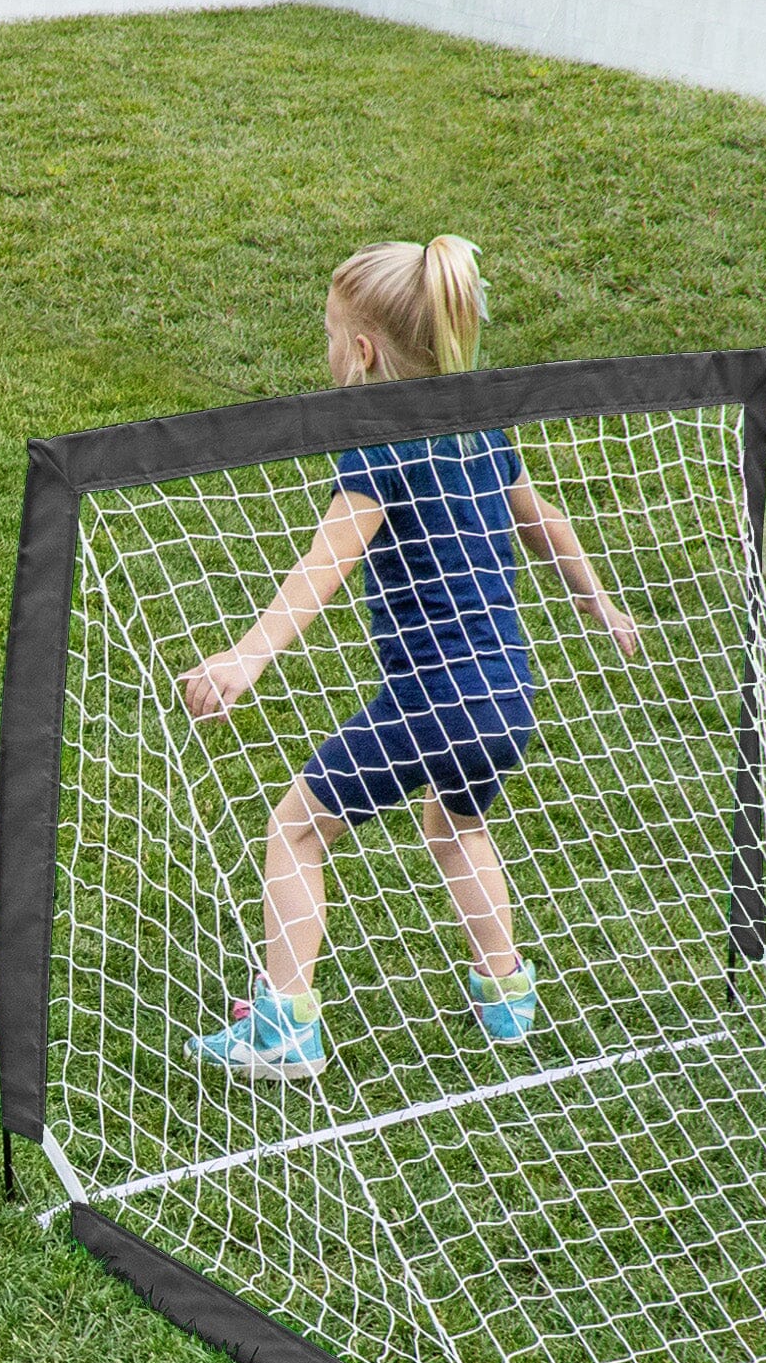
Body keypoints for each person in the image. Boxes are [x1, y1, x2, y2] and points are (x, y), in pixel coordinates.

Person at [180, 237, 638, 1071]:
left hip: (435, 697)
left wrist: (243, 659)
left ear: (362, 353)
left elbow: (320, 571)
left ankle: (285, 1024)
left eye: (328, 337)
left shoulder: (376, 450)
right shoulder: (477, 433)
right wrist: (594, 596)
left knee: (296, 828)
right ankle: (507, 995)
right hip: (508, 696)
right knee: (456, 826)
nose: (325, 353)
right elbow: (543, 520)